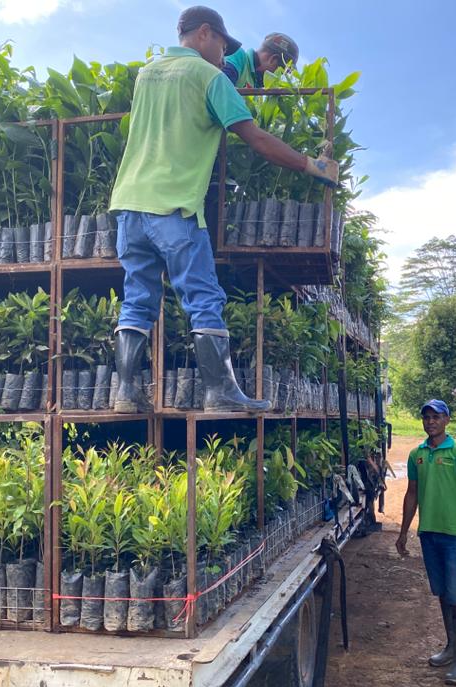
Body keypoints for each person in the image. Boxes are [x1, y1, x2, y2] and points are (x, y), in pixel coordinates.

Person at [108, 6, 337, 414]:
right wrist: (311, 166)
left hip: (129, 206)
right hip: (173, 206)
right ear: (204, 33)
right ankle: (219, 392)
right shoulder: (210, 77)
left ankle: (125, 393)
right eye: (221, 44)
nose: (224, 54)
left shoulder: (147, 74)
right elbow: (256, 139)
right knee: (203, 296)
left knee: (138, 298)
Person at [396, 399, 456, 684]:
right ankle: (450, 647)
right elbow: (412, 493)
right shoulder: (417, 455)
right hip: (429, 534)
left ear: (447, 420)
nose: (431, 421)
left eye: (436, 416)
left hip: (453, 535)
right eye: (426, 417)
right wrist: (403, 532)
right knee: (443, 593)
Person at [222, 33, 299, 88]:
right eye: (280, 72)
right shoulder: (237, 56)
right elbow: (220, 87)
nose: (278, 78)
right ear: (273, 60)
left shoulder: (256, 84)